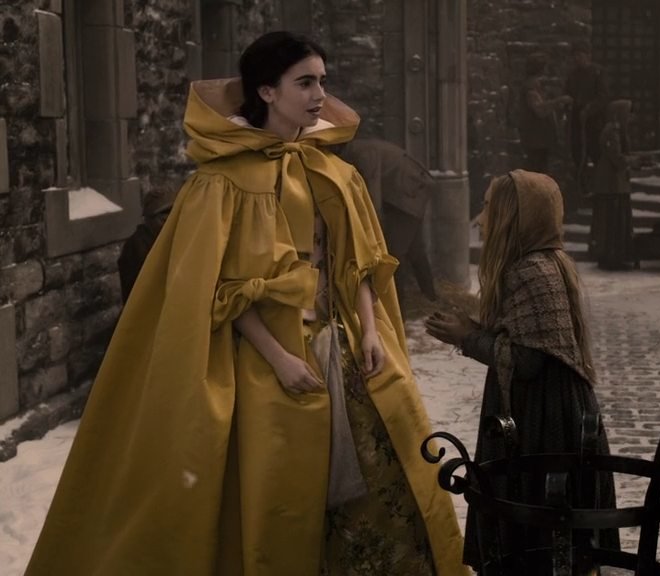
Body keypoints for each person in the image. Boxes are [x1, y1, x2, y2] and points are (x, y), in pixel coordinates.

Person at [26, 31, 466, 576]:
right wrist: (279, 359)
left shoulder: (337, 174)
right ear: (266, 91)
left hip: (348, 353)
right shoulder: (220, 183)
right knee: (274, 495)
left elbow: (361, 262)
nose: (319, 95)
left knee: (384, 487)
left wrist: (372, 330)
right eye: (304, 83)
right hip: (261, 367)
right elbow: (215, 290)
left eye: (322, 82)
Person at [424, 170, 618, 574]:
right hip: (543, 407)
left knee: (536, 533)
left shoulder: (533, 270)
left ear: (514, 216)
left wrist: (466, 337)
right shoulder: (540, 263)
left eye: (488, 207)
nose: (481, 219)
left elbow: (527, 360)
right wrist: (473, 328)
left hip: (544, 417)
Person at [338, 136, 439, 306]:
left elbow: (373, 191)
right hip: (409, 191)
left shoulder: (361, 154)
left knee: (393, 255)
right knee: (415, 250)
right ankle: (430, 298)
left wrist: (372, 226)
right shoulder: (360, 149)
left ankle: (397, 306)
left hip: (409, 192)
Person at [589, 99, 634, 270]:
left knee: (616, 220)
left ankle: (616, 256)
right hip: (610, 184)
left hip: (616, 183)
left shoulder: (618, 130)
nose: (629, 117)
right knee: (610, 221)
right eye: (627, 113)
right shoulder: (611, 131)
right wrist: (632, 161)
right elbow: (616, 157)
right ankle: (609, 257)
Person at [117, 186, 177, 303]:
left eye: (172, 214)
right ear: (148, 219)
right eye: (163, 218)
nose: (169, 221)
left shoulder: (174, 238)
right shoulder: (136, 246)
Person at [564, 40, 609, 189]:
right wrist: (567, 103)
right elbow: (567, 93)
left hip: (595, 121)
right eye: (575, 55)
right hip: (577, 120)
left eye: (580, 55)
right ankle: (582, 185)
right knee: (577, 152)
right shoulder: (572, 75)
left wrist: (589, 109)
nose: (577, 58)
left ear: (588, 55)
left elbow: (603, 96)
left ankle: (601, 186)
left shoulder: (598, 72)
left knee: (596, 152)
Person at [519, 51, 572, 175]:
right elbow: (539, 110)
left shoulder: (537, 85)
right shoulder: (530, 87)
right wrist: (558, 101)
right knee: (536, 171)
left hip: (541, 139)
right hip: (536, 139)